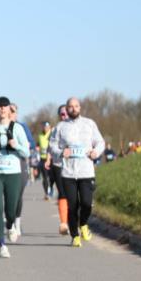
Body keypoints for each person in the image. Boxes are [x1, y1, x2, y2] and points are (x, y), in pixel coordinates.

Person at [0, 97, 30, 258]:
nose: (2, 109)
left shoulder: (18, 129)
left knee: (10, 210)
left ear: (9, 109)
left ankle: (10, 225)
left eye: (5, 107)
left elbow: (26, 153)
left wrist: (17, 146)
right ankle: (2, 245)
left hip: (13, 173)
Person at [52, 97, 105, 247]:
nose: (73, 109)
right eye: (70, 106)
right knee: (73, 205)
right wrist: (62, 152)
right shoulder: (61, 126)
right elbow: (53, 145)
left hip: (86, 170)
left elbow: (100, 142)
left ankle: (84, 224)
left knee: (87, 203)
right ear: (67, 109)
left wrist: (96, 152)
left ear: (80, 108)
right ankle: (75, 236)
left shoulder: (89, 124)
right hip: (68, 172)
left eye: (76, 106)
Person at [9, 102, 36, 237]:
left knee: (18, 195)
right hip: (5, 165)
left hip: (20, 163)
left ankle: (17, 222)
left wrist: (19, 144)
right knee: (8, 196)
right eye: (8, 110)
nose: (10, 113)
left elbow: (31, 144)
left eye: (13, 111)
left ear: (16, 113)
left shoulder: (22, 126)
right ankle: (10, 222)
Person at [44, 105, 70, 234]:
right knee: (63, 193)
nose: (64, 116)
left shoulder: (80, 127)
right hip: (59, 165)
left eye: (66, 113)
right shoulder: (56, 129)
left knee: (76, 195)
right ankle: (64, 223)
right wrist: (48, 159)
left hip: (78, 167)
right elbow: (50, 146)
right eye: (62, 114)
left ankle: (75, 221)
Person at [37, 121, 53, 200]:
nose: (46, 128)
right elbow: (38, 144)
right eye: (44, 127)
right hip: (42, 158)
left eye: (47, 127)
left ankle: (51, 191)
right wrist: (37, 147)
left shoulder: (52, 133)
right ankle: (47, 193)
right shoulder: (40, 135)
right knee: (45, 177)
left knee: (52, 177)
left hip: (51, 158)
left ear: (50, 127)